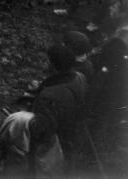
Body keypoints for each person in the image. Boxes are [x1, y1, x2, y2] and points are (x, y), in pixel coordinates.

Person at [29, 45, 87, 175]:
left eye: (47, 60)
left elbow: (42, 131)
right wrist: (42, 86)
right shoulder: (79, 77)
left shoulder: (48, 96)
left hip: (54, 147)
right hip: (74, 138)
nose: (44, 62)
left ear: (52, 65)